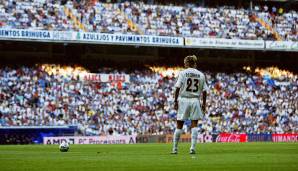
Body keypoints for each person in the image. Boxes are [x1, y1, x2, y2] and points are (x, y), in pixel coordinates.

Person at [171, 55, 208, 154]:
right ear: (194, 63)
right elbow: (205, 91)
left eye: (185, 62)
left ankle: (174, 149)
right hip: (195, 100)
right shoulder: (201, 74)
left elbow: (178, 87)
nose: (184, 64)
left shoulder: (183, 73)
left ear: (187, 63)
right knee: (194, 124)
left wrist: (175, 101)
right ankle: (192, 148)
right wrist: (204, 104)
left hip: (183, 99)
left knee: (179, 125)